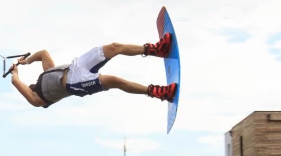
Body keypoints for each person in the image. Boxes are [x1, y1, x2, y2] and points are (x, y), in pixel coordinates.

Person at [9, 32, 178, 108]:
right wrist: (15, 73)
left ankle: (156, 50)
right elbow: (15, 81)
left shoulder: (46, 74)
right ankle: (159, 92)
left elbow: (43, 53)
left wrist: (26, 61)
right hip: (75, 84)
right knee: (114, 81)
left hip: (76, 66)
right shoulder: (37, 99)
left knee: (114, 47)